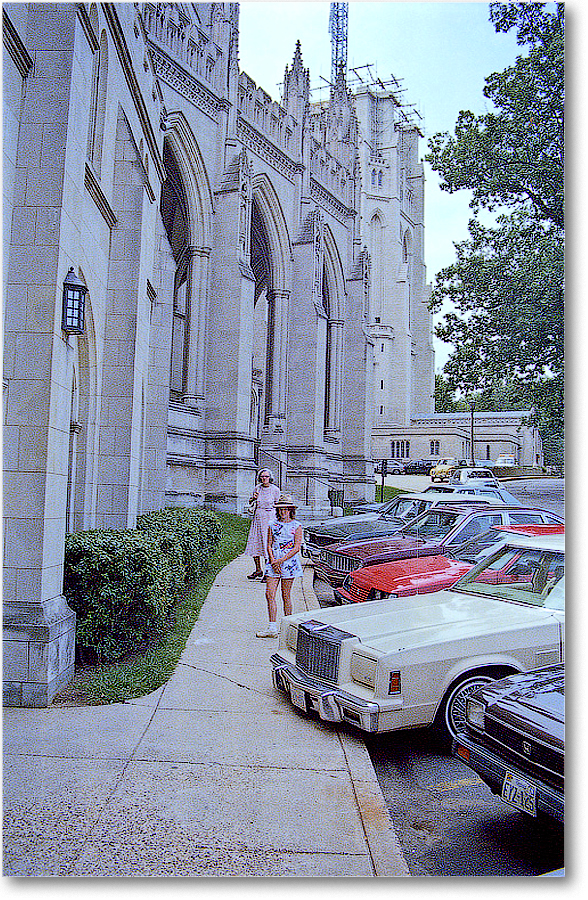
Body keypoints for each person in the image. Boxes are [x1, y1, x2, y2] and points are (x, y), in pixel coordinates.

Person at [256, 494, 303, 638]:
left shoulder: (297, 526)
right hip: (274, 561)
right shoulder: (272, 524)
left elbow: (296, 548)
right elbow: (269, 544)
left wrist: (281, 560)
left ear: (290, 510)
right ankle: (272, 627)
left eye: (285, 509)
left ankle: (288, 627)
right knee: (269, 593)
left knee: (286, 595)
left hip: (288, 562)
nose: (283, 512)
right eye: (280, 509)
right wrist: (272, 559)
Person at [244, 469, 281, 579]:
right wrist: (253, 498)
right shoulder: (257, 488)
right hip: (258, 517)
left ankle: (268, 571)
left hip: (270, 517)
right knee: (255, 542)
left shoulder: (275, 490)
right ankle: (258, 569)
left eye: (266, 476)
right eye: (262, 476)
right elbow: (251, 502)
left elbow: (278, 505)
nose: (264, 478)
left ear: (270, 477)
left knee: (267, 543)